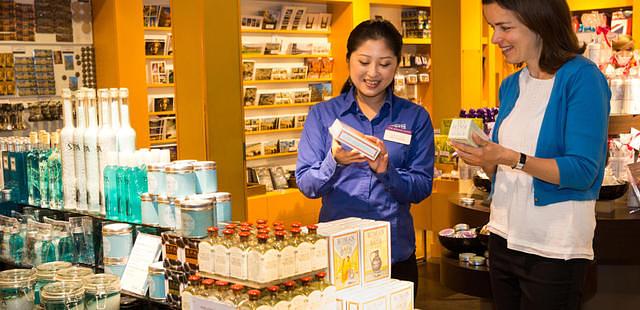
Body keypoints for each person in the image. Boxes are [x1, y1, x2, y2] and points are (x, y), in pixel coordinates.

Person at [451, 0, 610, 309]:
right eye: (493, 28)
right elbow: (504, 166)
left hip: (553, 248)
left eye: (505, 27)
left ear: (541, 24)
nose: (496, 38)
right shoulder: (511, 85)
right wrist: (488, 162)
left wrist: (512, 158)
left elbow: (582, 171)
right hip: (502, 237)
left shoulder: (582, 78)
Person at [295, 19, 434, 292]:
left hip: (395, 252)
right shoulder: (322, 115)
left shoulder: (414, 117)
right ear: (348, 60)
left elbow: (421, 186)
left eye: (384, 64)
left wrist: (387, 172)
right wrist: (333, 162)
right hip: (337, 252)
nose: (373, 73)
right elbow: (307, 184)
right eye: (364, 62)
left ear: (396, 64)